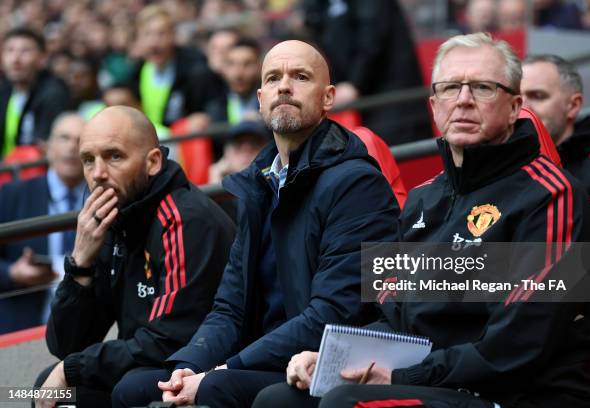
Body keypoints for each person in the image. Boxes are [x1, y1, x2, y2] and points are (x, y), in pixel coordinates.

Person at [254, 32, 590, 408]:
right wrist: (333, 357)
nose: (464, 100)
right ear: (434, 105)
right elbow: (393, 315)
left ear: (515, 106)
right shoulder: (422, 199)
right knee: (279, 399)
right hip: (439, 385)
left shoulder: (553, 195)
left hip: (522, 395)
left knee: (346, 402)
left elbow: (519, 342)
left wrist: (405, 376)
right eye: (451, 88)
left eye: (483, 88)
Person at [111, 39, 399, 408]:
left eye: (300, 76)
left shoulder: (357, 183)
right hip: (261, 358)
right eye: (274, 78)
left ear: (328, 98)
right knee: (133, 388)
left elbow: (332, 314)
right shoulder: (257, 183)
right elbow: (229, 307)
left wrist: (222, 369)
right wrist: (189, 366)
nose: (284, 86)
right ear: (260, 99)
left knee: (218, 389)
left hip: (320, 363)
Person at [34, 106, 235, 407]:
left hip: (204, 366)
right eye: (88, 160)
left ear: (153, 161)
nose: (98, 174)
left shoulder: (184, 219)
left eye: (114, 156)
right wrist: (80, 265)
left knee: (129, 388)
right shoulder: (114, 218)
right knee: (52, 388)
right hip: (150, 362)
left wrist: (72, 368)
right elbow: (67, 345)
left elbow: (170, 338)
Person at [0, 113, 86, 334]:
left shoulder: (103, 195)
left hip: (86, 326)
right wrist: (13, 273)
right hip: (24, 323)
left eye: (80, 140)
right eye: (64, 138)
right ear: (46, 147)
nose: (72, 147)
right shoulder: (13, 193)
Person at [302, 0, 432, 145]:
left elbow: (372, 36)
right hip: (360, 103)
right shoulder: (319, 6)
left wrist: (354, 84)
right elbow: (316, 26)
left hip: (392, 102)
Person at [521, 54, 590, 197]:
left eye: (538, 96)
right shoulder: (502, 163)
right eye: (517, 99)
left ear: (573, 106)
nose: (523, 109)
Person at [130, 5, 207, 129]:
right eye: (147, 34)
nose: (154, 42)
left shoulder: (194, 68)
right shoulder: (138, 69)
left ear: (173, 35)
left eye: (161, 34)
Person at [0, 27, 70, 158]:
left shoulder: (53, 94)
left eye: (25, 51)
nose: (15, 59)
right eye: (9, 50)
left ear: (42, 58)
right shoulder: (5, 90)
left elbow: (44, 150)